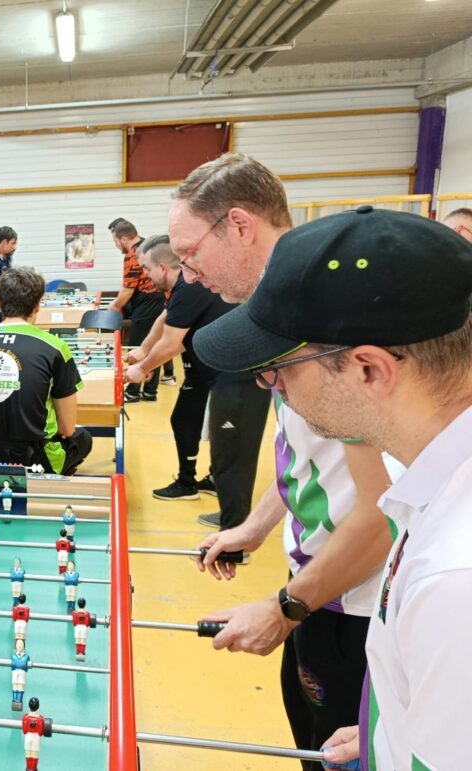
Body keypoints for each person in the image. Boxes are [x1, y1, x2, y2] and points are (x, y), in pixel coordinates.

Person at [192, 207, 472, 771]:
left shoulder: (452, 578)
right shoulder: (428, 485)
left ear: (370, 370)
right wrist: (393, 730)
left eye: (280, 370)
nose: (270, 386)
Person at [168, 153, 394, 768]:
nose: (187, 274)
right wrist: (257, 526)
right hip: (321, 585)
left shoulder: (326, 324)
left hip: (356, 600)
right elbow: (310, 456)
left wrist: (286, 607)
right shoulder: (279, 315)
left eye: (190, 253)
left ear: (239, 225)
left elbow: (381, 512)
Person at [126, 236, 269, 529]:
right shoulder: (181, 287)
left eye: (147, 269)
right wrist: (143, 350)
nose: (145, 276)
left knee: (232, 452)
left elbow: (171, 344)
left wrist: (142, 369)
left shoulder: (189, 286)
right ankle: (193, 484)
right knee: (187, 421)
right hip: (212, 371)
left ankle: (233, 530)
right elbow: (166, 319)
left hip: (239, 376)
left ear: (162, 267)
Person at [0, 266, 93, 475]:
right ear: (37, 305)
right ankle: (53, 484)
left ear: (0, 303)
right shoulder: (55, 347)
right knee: (83, 438)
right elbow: (67, 428)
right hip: (38, 461)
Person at [107, 221, 165, 403]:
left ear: (124, 239)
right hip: (160, 299)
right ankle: (150, 391)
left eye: (115, 241)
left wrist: (114, 307)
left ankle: (132, 392)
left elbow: (128, 290)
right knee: (154, 345)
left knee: (137, 348)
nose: (116, 245)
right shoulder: (149, 245)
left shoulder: (133, 254)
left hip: (147, 302)